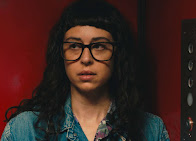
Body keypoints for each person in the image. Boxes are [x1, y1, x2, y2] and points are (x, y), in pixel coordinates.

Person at [1, 0, 170, 140]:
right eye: (74, 46)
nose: (86, 59)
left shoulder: (151, 130)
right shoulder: (24, 130)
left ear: (117, 53)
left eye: (98, 46)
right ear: (61, 53)